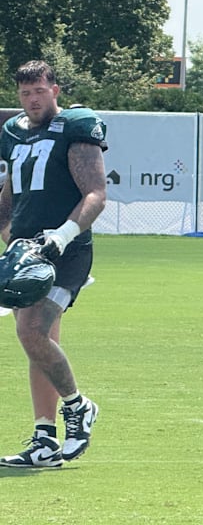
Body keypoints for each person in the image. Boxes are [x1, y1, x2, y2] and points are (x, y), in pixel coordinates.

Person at [0, 60, 106, 468]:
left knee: (31, 332)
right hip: (27, 251)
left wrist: (62, 235)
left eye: (39, 91)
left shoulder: (76, 126)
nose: (32, 100)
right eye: (25, 93)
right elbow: (11, 193)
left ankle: (79, 407)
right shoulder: (13, 133)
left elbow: (96, 193)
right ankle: (44, 440)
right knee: (37, 344)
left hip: (68, 249)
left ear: (55, 90)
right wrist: (10, 235)